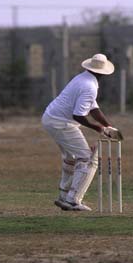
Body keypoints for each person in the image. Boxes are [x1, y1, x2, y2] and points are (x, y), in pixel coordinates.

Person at [42, 53, 123, 211]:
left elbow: (93, 108)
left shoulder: (82, 78)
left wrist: (107, 125)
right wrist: (99, 128)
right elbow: (78, 115)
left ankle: (64, 196)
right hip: (61, 123)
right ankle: (73, 200)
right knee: (87, 158)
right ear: (102, 72)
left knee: (71, 159)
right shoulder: (90, 86)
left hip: (51, 118)